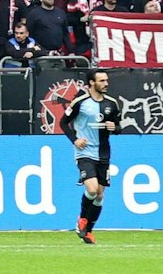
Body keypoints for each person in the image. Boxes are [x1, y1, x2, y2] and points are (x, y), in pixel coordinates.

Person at [62, 68, 120, 243]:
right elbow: (63, 122)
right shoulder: (80, 102)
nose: (106, 84)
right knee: (92, 189)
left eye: (106, 80)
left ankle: (88, 231)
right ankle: (82, 219)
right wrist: (75, 139)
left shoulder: (112, 103)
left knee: (100, 195)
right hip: (84, 152)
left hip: (103, 153)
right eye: (102, 81)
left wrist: (115, 128)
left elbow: (118, 126)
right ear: (91, 83)